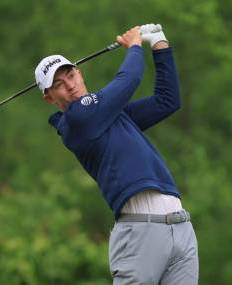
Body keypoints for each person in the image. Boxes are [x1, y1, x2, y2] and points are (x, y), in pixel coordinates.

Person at [35, 24, 198, 284]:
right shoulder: (77, 122)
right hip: (140, 232)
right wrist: (134, 45)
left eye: (70, 76)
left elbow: (167, 100)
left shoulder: (112, 116)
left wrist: (158, 43)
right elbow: (128, 79)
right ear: (49, 98)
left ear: (79, 72)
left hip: (180, 228)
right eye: (58, 84)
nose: (70, 86)